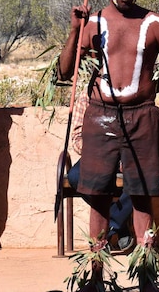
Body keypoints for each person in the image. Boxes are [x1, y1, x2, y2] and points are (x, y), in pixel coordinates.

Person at [58, 0, 159, 292]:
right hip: (100, 117)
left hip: (142, 117)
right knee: (96, 196)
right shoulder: (91, 23)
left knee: (142, 197)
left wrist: (148, 89)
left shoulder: (155, 23)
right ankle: (93, 274)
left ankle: (145, 272)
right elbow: (63, 72)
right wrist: (75, 31)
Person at [65, 94, 135, 254]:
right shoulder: (86, 96)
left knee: (142, 177)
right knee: (75, 177)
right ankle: (119, 222)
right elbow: (77, 136)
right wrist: (99, 152)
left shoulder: (129, 92)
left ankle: (110, 225)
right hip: (95, 155)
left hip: (124, 155)